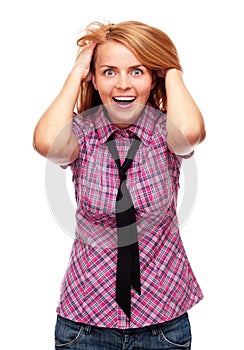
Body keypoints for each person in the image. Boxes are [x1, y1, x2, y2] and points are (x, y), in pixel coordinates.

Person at [33, 20, 206, 350]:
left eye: (137, 71)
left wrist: (171, 69)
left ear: (152, 76)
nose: (123, 84)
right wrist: (75, 73)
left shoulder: (164, 132)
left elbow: (191, 132)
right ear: (94, 78)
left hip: (164, 323)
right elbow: (46, 141)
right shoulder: (81, 133)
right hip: (85, 322)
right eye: (109, 72)